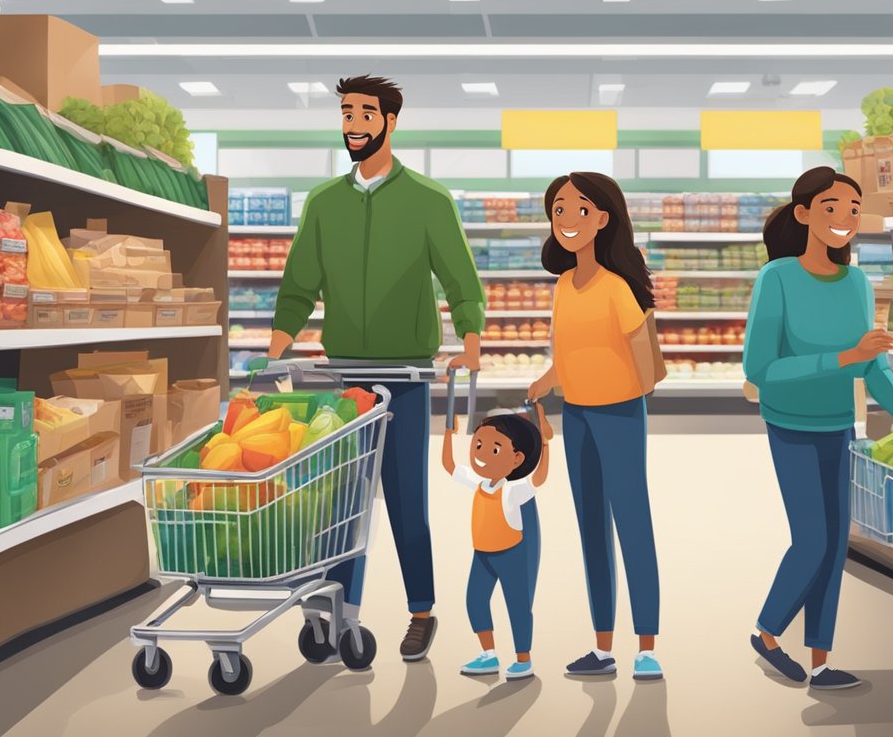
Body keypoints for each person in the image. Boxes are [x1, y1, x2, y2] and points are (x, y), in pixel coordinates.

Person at [269, 75, 485, 662]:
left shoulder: (428, 201)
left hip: (407, 377)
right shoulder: (324, 203)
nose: (354, 124)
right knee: (339, 499)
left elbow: (461, 281)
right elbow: (298, 287)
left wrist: (469, 338)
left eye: (366, 113)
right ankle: (334, 612)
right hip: (344, 378)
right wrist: (276, 349)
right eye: (346, 113)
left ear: (390, 121)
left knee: (405, 498)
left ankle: (421, 611)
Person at [743, 166, 893, 691]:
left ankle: (821, 661)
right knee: (813, 540)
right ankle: (767, 630)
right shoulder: (777, 278)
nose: (844, 218)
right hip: (791, 426)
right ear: (803, 215)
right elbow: (760, 371)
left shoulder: (858, 284)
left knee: (835, 544)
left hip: (840, 427)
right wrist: (846, 355)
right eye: (831, 208)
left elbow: (875, 368)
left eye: (852, 208)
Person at [527, 172, 663, 682]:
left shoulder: (617, 286)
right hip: (577, 415)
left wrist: (632, 390)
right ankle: (603, 647)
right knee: (591, 531)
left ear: (603, 219)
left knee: (632, 524)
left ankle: (647, 646)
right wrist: (547, 380)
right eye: (558, 210)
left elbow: (641, 350)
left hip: (620, 414)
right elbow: (567, 351)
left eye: (579, 210)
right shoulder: (564, 284)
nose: (566, 220)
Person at [442, 403, 551, 681]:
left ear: (516, 459)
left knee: (517, 606)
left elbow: (539, 478)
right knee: (475, 601)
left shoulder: (513, 491)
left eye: (493, 449)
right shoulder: (478, 484)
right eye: (478, 444)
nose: (480, 454)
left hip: (511, 555)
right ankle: (488, 655)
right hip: (483, 555)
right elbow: (450, 466)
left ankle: (523, 660)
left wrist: (546, 444)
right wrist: (448, 434)